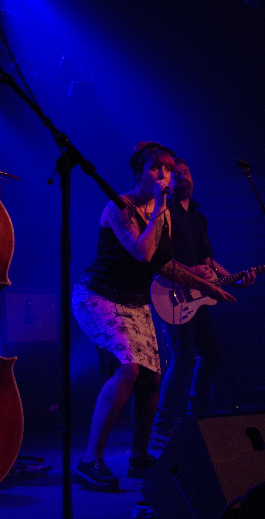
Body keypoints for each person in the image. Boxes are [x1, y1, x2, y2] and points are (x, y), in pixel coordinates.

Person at [71, 142, 236, 492]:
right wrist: (160, 207)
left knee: (151, 379)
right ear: (138, 174)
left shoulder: (166, 214)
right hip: (98, 297)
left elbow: (167, 264)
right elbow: (144, 253)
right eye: (156, 169)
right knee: (128, 369)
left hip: (135, 301)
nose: (164, 175)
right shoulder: (122, 207)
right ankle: (89, 460)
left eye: (167, 169)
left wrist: (212, 288)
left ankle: (138, 456)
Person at [151, 158, 255, 447]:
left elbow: (208, 261)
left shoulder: (197, 216)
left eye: (187, 172)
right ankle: (161, 428)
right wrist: (192, 273)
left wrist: (232, 278)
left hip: (198, 297)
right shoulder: (164, 212)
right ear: (168, 181)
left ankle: (196, 418)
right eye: (178, 174)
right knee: (182, 359)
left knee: (212, 353)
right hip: (171, 292)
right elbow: (158, 258)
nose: (184, 177)